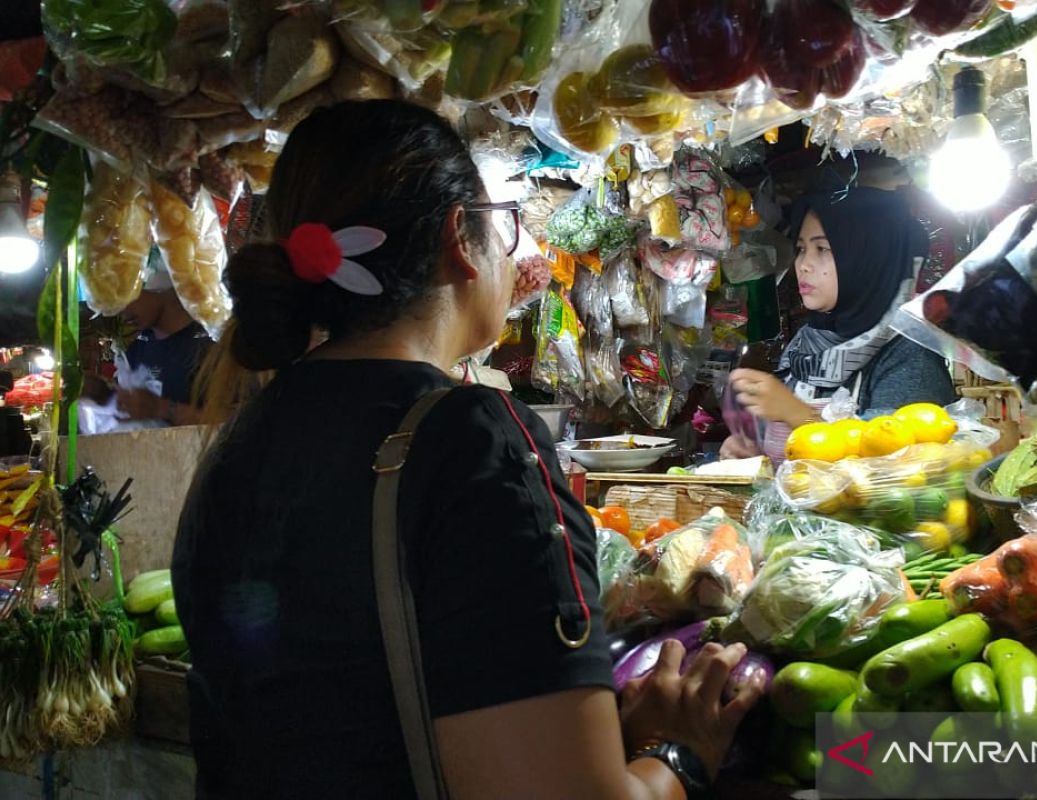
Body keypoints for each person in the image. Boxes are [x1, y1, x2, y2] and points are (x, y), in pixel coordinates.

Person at [171, 99, 763, 800]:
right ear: (460, 236)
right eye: (502, 226)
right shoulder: (473, 438)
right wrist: (680, 755)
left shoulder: (243, 432)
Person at [722, 187, 958, 460]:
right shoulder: (805, 347)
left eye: (822, 248)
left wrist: (800, 415)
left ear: (868, 258)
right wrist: (753, 453)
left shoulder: (910, 355)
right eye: (801, 249)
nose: (804, 264)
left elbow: (897, 471)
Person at [112, 267, 212, 426]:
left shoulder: (210, 346)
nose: (120, 311)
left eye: (124, 297)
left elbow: (235, 421)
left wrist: (163, 408)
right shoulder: (136, 350)